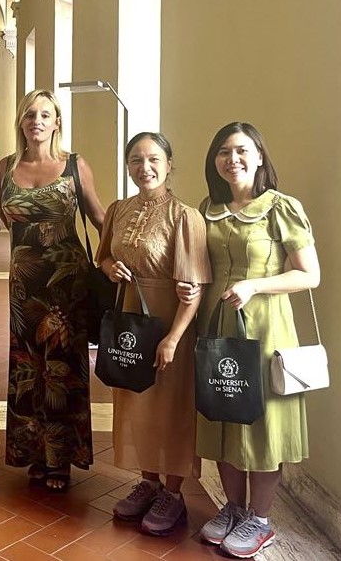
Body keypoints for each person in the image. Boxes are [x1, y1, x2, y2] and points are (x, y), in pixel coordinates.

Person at [177, 122, 320, 558]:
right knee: (222, 413)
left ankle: (260, 518)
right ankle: (234, 508)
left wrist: (256, 286)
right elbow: (200, 265)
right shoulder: (208, 209)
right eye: (223, 151)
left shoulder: (281, 207)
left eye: (241, 150)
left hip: (265, 328)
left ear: (259, 156)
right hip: (217, 324)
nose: (232, 159)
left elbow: (309, 274)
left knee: (262, 422)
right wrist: (189, 287)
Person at [96, 132, 211, 535]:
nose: (144, 167)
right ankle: (148, 482)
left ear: (168, 164)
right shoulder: (118, 209)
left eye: (153, 159)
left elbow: (195, 287)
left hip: (168, 319)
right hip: (130, 316)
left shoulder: (185, 217)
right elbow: (104, 257)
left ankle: (173, 493)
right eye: (135, 160)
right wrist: (111, 269)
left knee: (171, 406)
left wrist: (173, 338)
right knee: (136, 400)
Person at [0, 89, 107, 492]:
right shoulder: (5, 167)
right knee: (28, 366)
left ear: (57, 122)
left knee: (62, 368)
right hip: (24, 285)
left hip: (67, 285)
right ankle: (32, 453)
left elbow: (99, 218)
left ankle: (60, 458)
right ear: (21, 122)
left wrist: (115, 259)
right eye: (30, 115)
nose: (36, 122)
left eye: (45, 115)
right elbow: (8, 222)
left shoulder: (74, 165)